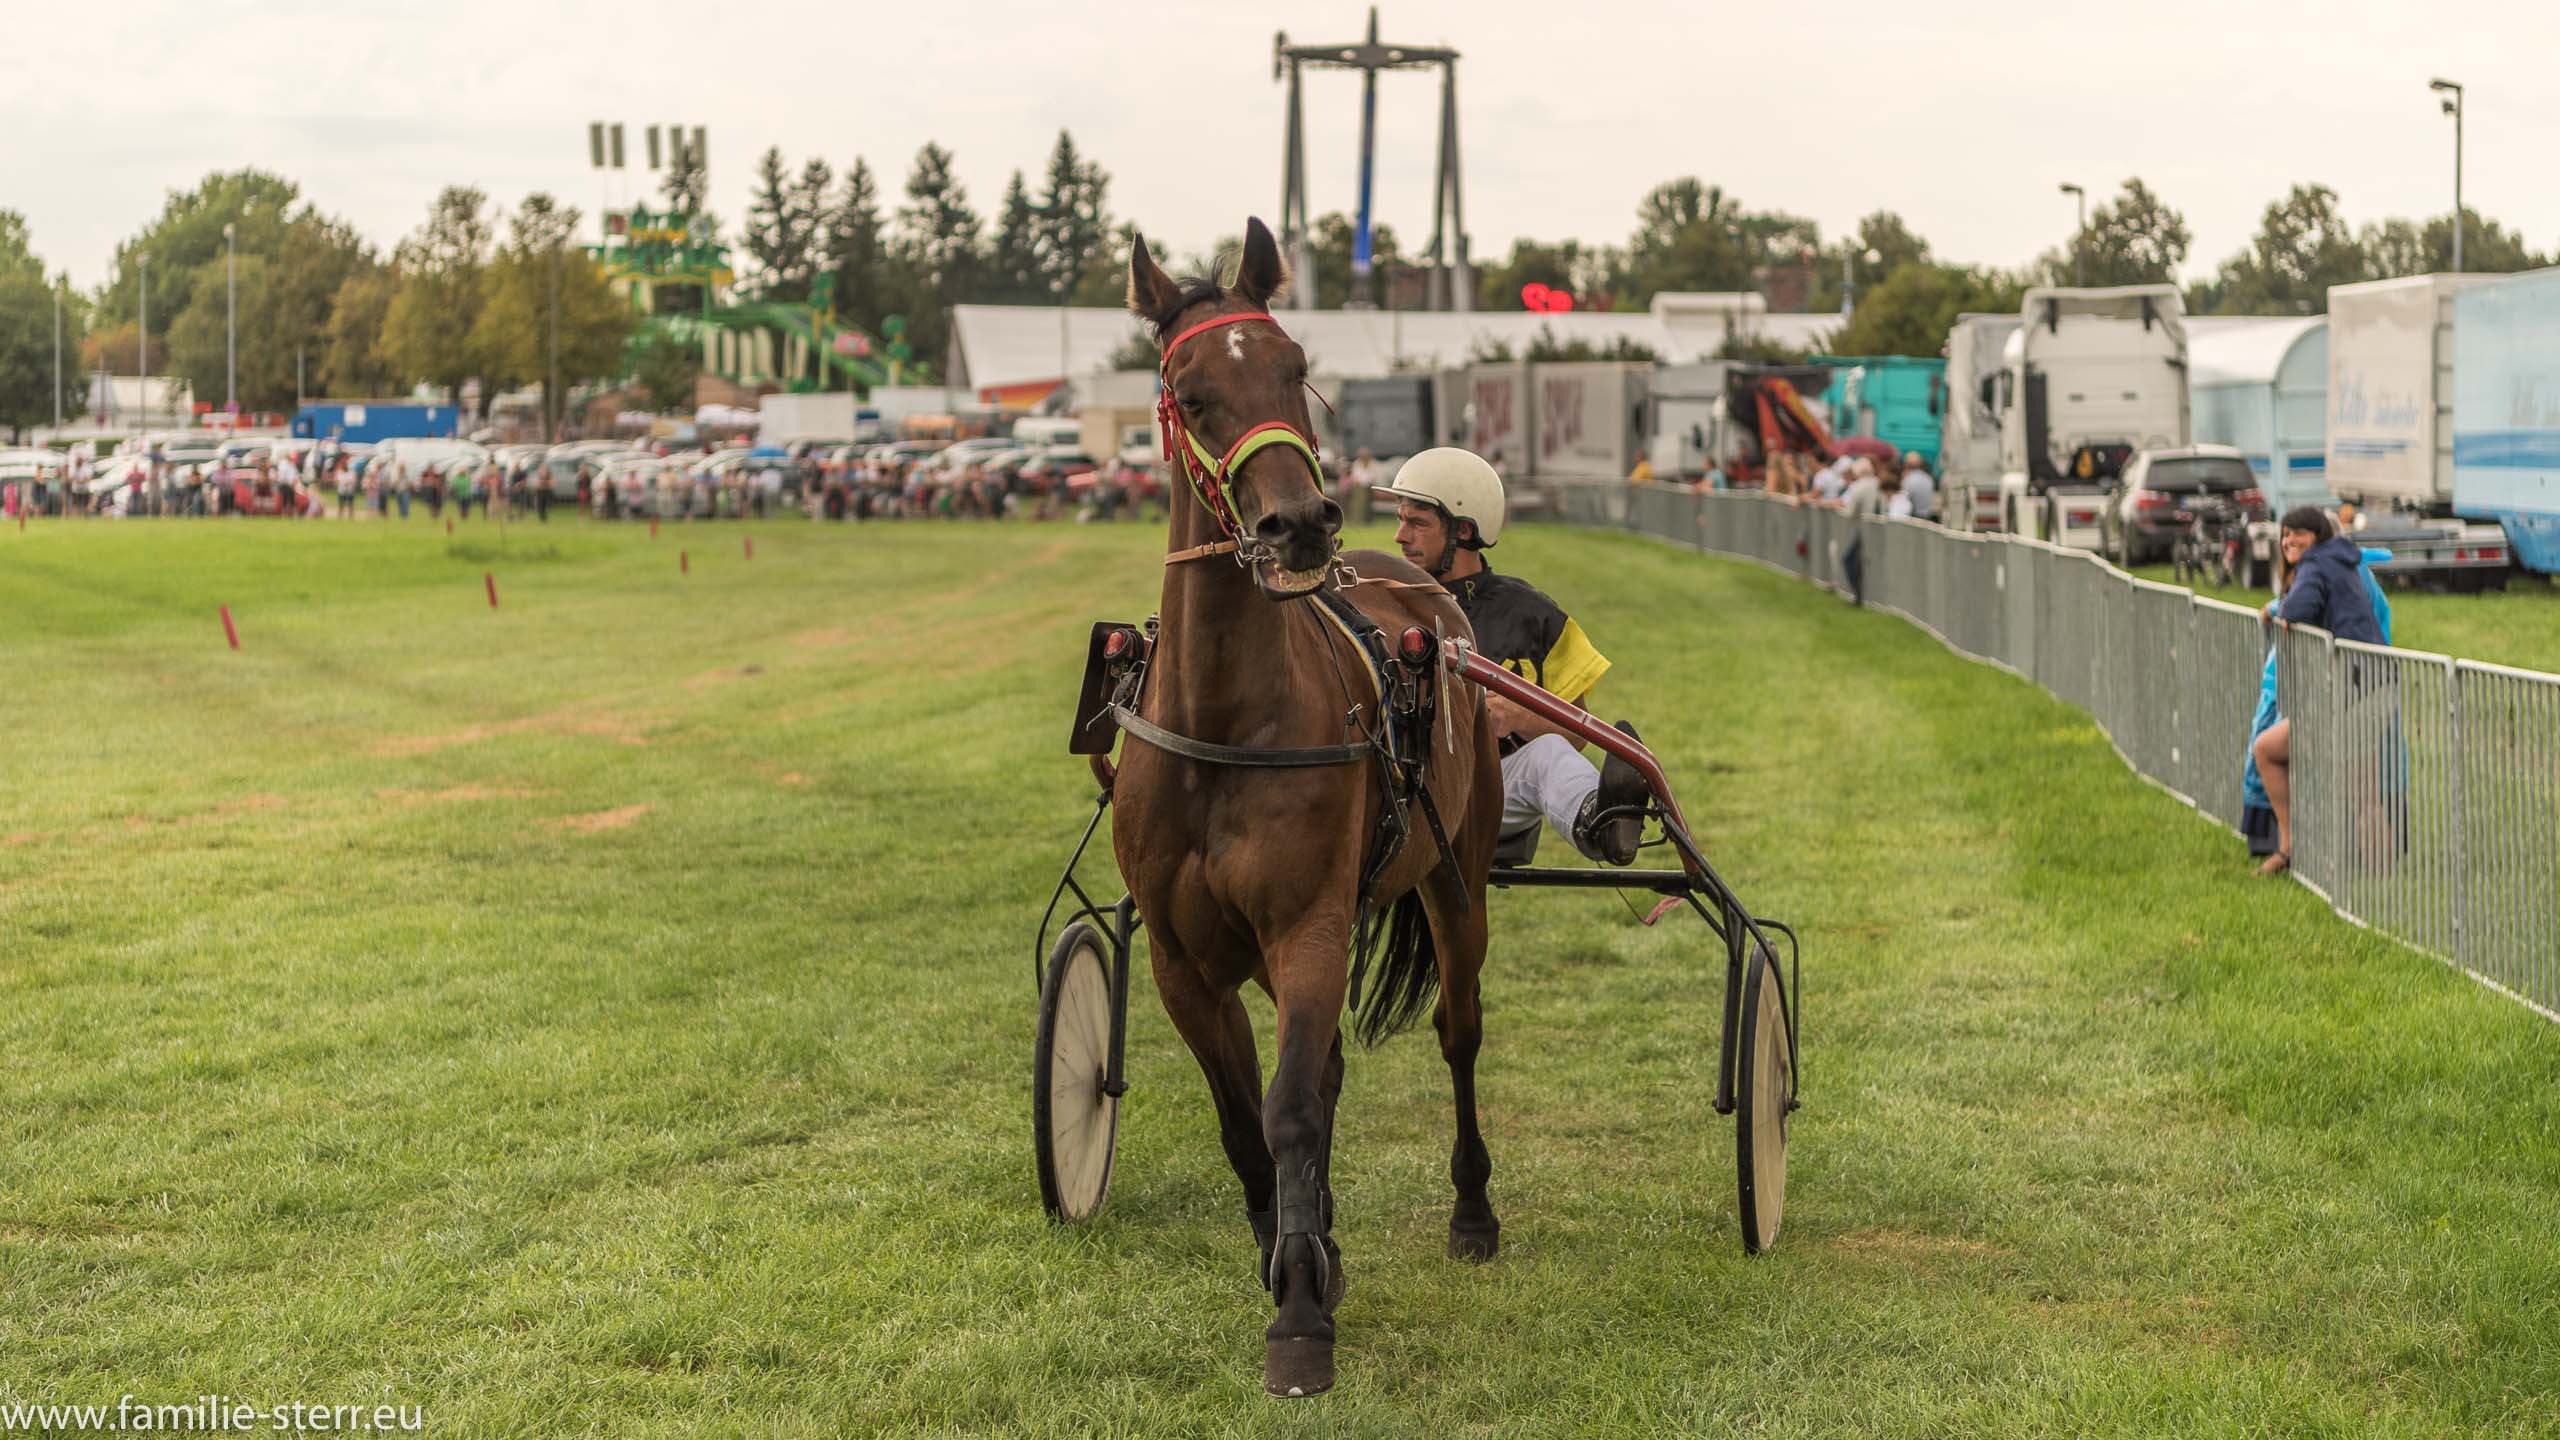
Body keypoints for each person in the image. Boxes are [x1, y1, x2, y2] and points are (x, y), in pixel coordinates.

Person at [1376, 448, 1648, 866]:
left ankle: (1604, 824)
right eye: (1400, 519)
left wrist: (1520, 717)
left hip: (1487, 788)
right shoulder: (1378, 602)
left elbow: (1577, 732)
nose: (1400, 535)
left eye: (1417, 523)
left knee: (1549, 753)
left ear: (1463, 531)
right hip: (1395, 792)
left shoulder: (1533, 614)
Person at [2248, 507, 2387, 877]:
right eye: (2285, 534)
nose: (2290, 541)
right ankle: (2291, 850)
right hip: (2363, 687)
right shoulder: (2335, 561)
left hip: (2359, 688)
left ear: (2318, 536)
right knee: (2268, 749)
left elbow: (2298, 607)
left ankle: (2379, 882)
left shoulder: (2317, 565)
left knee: (2361, 790)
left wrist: (2282, 608)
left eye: (2299, 534)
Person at [1838, 458, 1882, 605]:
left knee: (1848, 560)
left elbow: (1849, 512)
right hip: (1878, 528)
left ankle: (1858, 594)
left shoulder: (1858, 487)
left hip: (1863, 529)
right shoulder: (1878, 483)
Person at [1900, 452, 1936, 523]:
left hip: (1913, 520)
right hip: (1927, 518)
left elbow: (1904, 501)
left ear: (1906, 465)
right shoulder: (1928, 479)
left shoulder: (1908, 480)